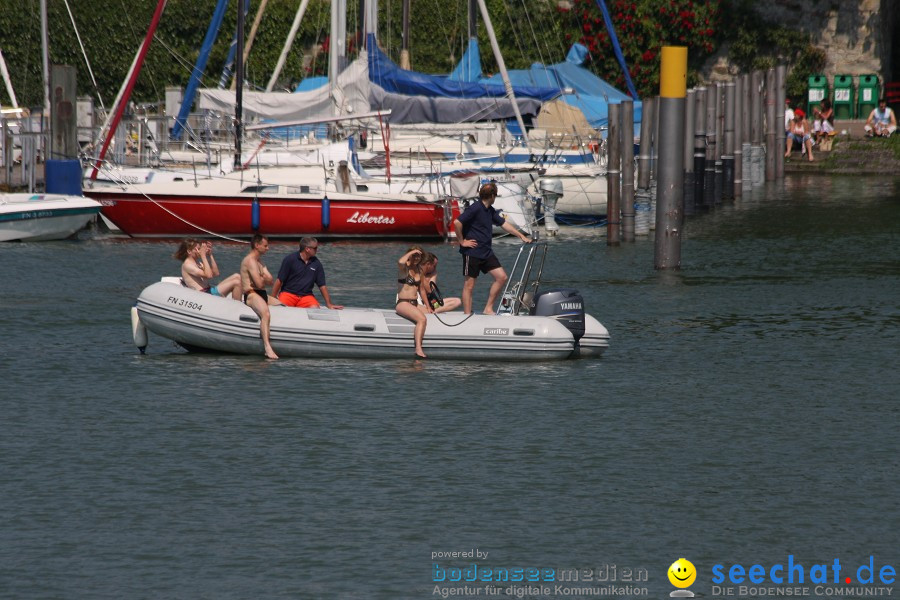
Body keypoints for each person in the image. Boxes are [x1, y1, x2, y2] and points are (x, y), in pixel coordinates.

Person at [453, 182, 532, 314]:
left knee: (501, 277)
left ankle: (488, 308)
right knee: (469, 285)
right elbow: (457, 222)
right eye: (495, 195)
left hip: (486, 252)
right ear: (492, 196)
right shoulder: (475, 208)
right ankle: (467, 315)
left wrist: (521, 236)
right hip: (472, 252)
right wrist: (462, 241)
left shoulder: (490, 210)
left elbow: (504, 224)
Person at [272, 237, 343, 309]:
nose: (317, 250)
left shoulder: (316, 263)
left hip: (306, 296)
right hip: (288, 294)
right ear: (307, 249)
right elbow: (279, 280)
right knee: (280, 308)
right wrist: (273, 298)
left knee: (315, 308)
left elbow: (322, 286)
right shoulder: (290, 259)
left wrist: (329, 304)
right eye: (315, 248)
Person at [240, 233, 279, 360]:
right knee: (266, 314)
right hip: (251, 293)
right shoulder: (250, 261)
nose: (268, 248)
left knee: (282, 304)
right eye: (265, 246)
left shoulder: (259, 262)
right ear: (257, 245)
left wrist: (263, 277)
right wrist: (264, 277)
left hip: (261, 293)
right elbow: (260, 283)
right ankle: (267, 347)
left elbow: (271, 280)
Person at [174, 238, 241, 300]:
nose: (200, 251)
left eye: (200, 249)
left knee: (237, 276)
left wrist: (210, 255)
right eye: (197, 249)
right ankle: (237, 307)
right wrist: (203, 256)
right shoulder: (187, 265)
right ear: (189, 251)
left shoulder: (198, 263)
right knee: (236, 282)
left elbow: (216, 273)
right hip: (204, 295)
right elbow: (208, 276)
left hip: (209, 291)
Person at [395, 246, 431, 358]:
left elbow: (422, 290)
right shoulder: (404, 268)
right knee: (422, 319)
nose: (416, 258)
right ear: (409, 255)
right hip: (403, 303)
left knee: (431, 314)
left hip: (415, 303)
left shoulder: (419, 270)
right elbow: (400, 261)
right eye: (414, 255)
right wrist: (412, 252)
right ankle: (418, 348)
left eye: (418, 256)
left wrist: (428, 306)